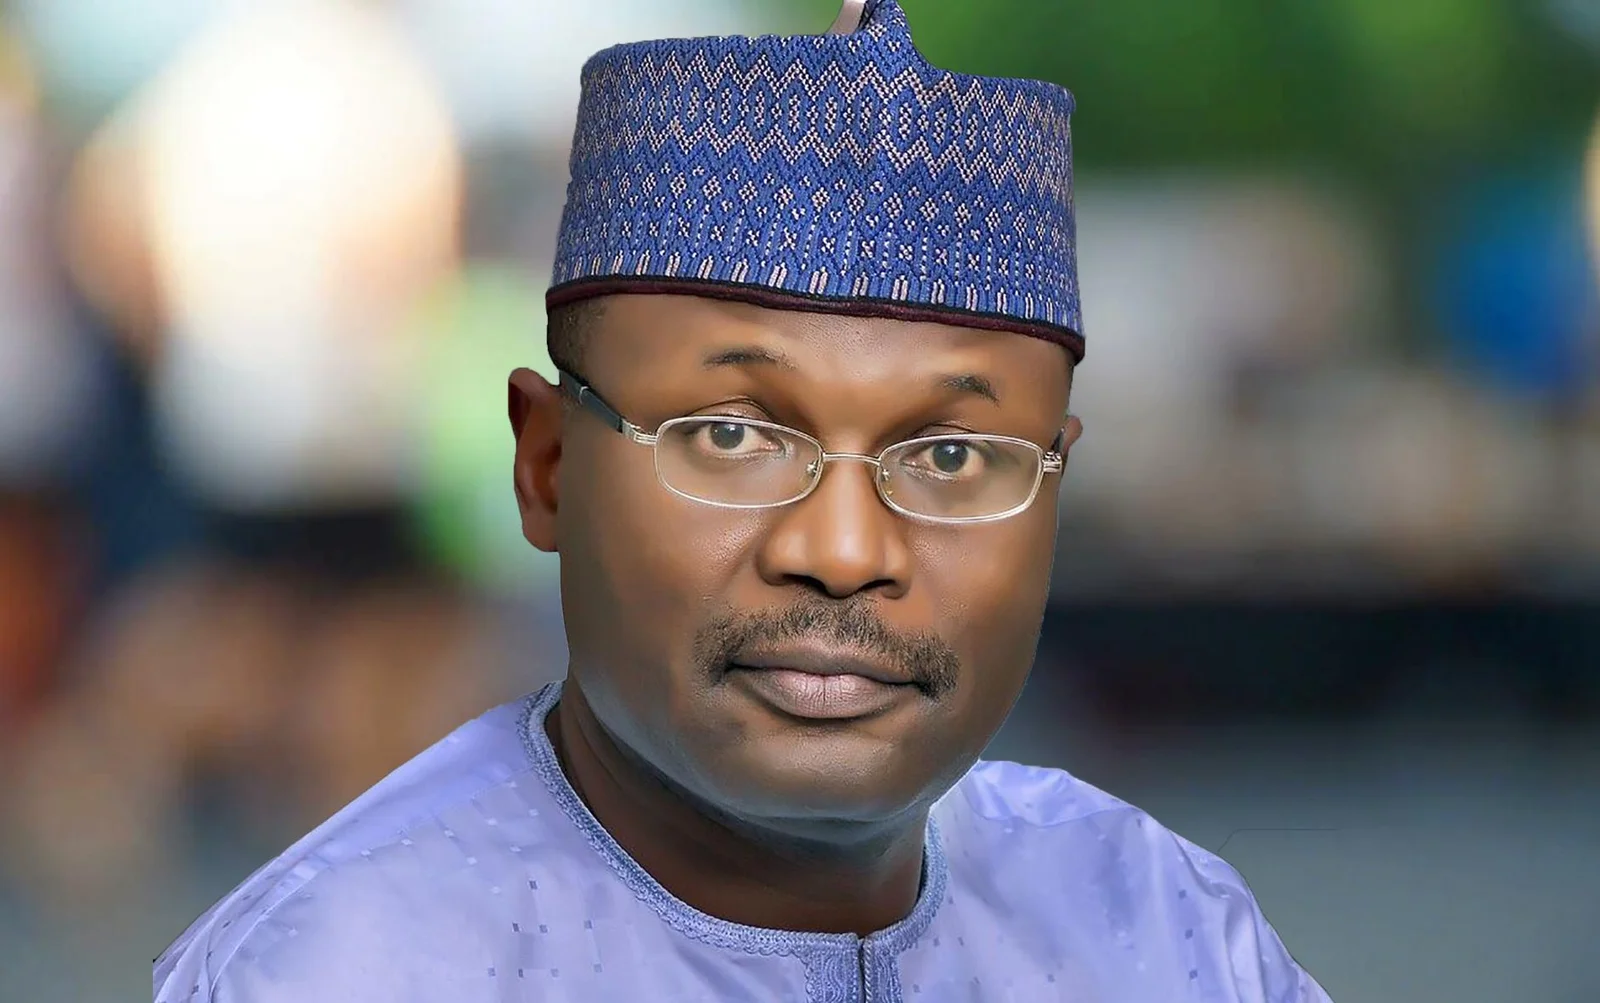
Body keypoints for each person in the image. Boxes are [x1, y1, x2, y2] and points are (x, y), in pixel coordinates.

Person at [155, 1, 1333, 999]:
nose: (844, 549)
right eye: (731, 436)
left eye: (950, 456)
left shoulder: (1166, 932)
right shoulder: (342, 968)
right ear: (548, 465)